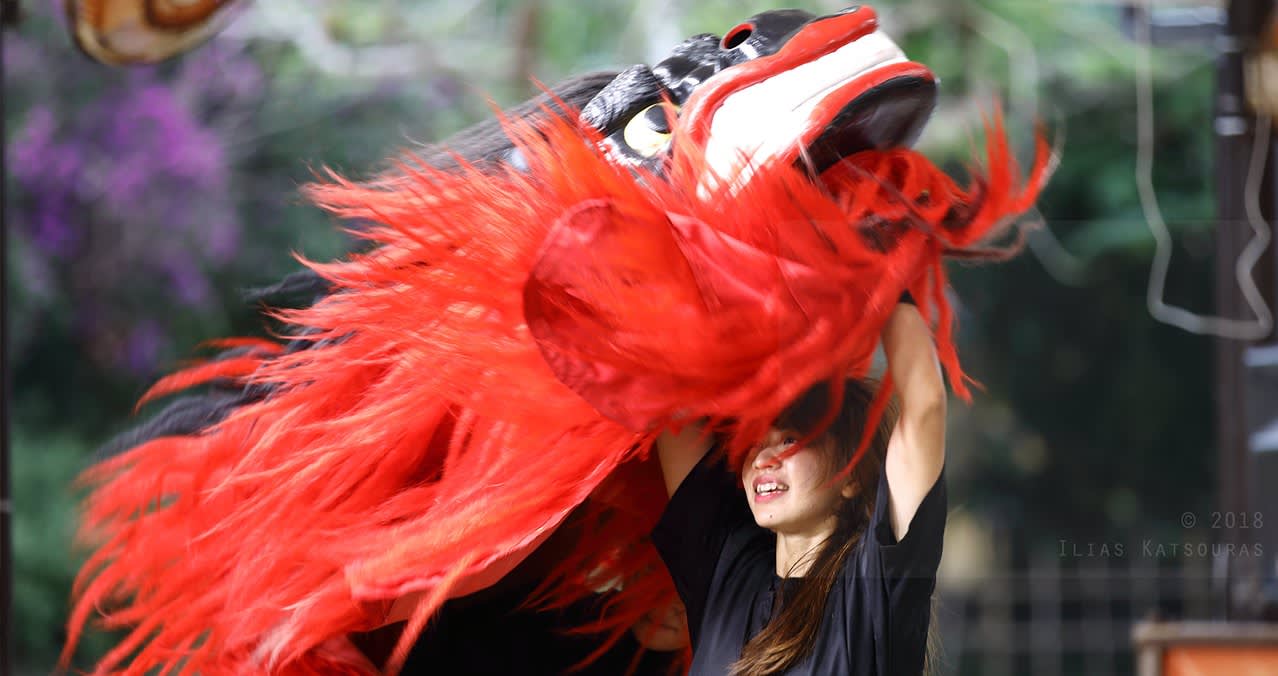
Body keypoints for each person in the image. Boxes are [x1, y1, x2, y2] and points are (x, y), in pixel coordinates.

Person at [651, 299, 947, 676]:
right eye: (754, 443)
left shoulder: (873, 588)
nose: (763, 458)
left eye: (790, 440)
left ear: (852, 477)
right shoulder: (725, 566)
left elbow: (925, 406)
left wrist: (890, 284)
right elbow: (668, 383)